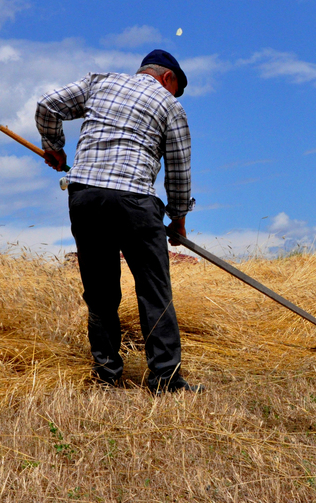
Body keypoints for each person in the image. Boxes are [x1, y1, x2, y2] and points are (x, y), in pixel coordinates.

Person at [35, 49, 202, 394]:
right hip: (134, 201)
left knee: (100, 291)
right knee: (155, 290)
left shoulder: (101, 82)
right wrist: (179, 218)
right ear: (167, 78)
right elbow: (179, 170)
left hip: (86, 196)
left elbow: (48, 105)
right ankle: (166, 380)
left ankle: (107, 374)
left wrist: (54, 145)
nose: (173, 95)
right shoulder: (170, 106)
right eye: (175, 88)